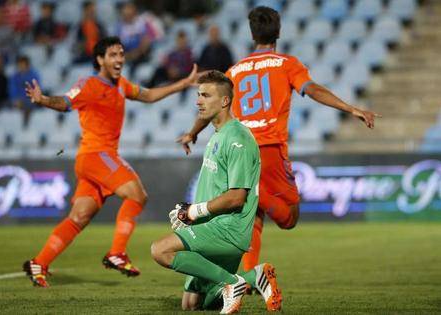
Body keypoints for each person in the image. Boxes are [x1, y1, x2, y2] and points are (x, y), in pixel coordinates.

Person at [178, 6, 381, 277]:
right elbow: (313, 90)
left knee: (252, 217)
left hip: (239, 148)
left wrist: (193, 132)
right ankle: (260, 197)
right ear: (279, 32)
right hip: (270, 150)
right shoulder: (287, 64)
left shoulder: (235, 70)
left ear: (252, 35)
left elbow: (215, 105)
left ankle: (249, 277)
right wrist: (351, 108)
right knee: (289, 219)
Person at [22, 36, 199, 288]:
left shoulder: (121, 85)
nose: (119, 59)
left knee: (79, 216)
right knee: (137, 195)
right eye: (113, 55)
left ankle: (39, 262)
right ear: (100, 59)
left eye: (121, 54)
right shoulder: (89, 84)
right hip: (97, 155)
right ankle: (116, 252)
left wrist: (183, 83)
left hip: (95, 160)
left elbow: (147, 95)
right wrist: (43, 100)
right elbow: (65, 102)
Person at [151, 70, 282, 314]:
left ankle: (233, 283)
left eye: (206, 95)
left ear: (224, 101)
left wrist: (194, 210)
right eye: (199, 95)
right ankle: (255, 276)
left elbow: (236, 197)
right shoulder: (218, 134)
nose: (198, 101)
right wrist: (191, 216)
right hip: (210, 224)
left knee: (160, 250)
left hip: (228, 230)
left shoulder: (238, 139)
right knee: (192, 305)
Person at [9, 55, 41, 127]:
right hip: (17, 101)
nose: (21, 67)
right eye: (19, 65)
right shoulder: (14, 76)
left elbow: (37, 89)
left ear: (28, 65)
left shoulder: (34, 75)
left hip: (30, 100)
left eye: (23, 65)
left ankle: (26, 127)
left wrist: (27, 99)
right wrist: (16, 99)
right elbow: (12, 90)